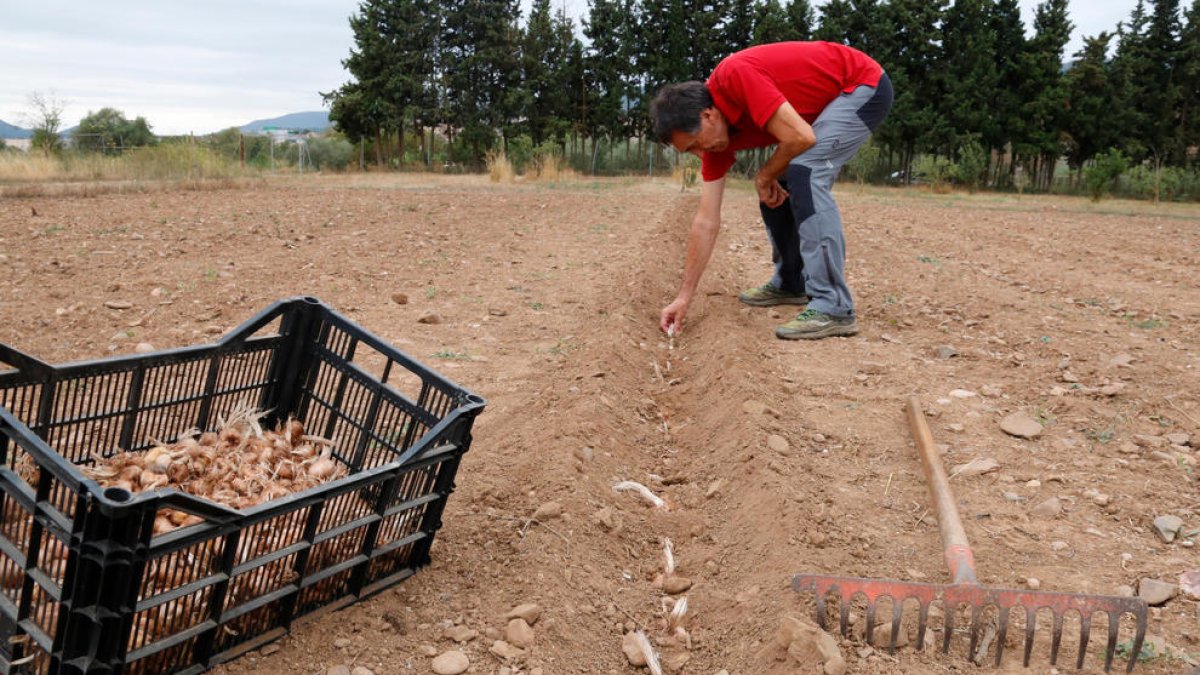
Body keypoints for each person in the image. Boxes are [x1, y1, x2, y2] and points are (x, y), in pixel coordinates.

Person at [651, 41, 892, 340]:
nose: (700, 153)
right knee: (780, 181)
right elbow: (706, 220)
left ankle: (833, 306)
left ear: (708, 115)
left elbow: (801, 137)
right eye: (691, 151)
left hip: (862, 84)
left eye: (695, 144)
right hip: (820, 109)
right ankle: (792, 282)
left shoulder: (734, 75)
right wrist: (683, 297)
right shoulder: (715, 144)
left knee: (804, 171)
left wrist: (764, 175)